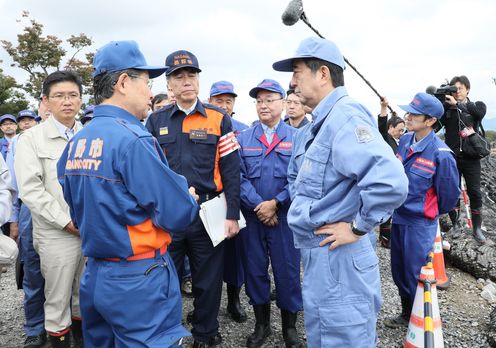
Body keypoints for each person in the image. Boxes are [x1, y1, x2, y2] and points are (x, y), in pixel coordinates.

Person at [56, 40, 198, 348]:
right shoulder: (133, 139)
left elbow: (74, 201)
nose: (150, 93)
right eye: (146, 83)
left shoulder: (76, 142)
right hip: (139, 276)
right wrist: (188, 196)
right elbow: (177, 213)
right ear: (123, 82)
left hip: (96, 273)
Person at [273, 37, 408, 347]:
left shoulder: (346, 117)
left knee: (345, 337)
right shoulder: (315, 125)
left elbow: (390, 182)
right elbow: (301, 181)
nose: (292, 81)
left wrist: (358, 227)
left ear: (322, 74)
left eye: (297, 72)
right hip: (321, 254)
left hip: (342, 257)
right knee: (324, 336)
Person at [146, 50, 241, 348]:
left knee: (208, 279)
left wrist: (232, 215)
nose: (186, 81)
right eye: (178, 77)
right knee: (166, 278)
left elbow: (231, 170)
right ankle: (169, 332)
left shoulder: (219, 119)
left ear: (199, 80)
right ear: (170, 84)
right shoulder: (154, 121)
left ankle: (205, 331)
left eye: (191, 75)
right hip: (169, 215)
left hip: (209, 211)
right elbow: (148, 171)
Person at [15, 70, 86, 347]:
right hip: (57, 232)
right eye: (59, 96)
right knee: (57, 299)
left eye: (72, 95)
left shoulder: (90, 135)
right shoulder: (31, 139)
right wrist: (66, 221)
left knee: (85, 293)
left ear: (81, 100)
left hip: (91, 228)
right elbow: (31, 190)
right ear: (46, 101)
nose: (66, 101)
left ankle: (82, 341)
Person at [237, 79, 303, 348]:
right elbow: (237, 177)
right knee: (254, 271)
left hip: (285, 219)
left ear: (283, 103)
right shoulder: (242, 139)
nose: (263, 105)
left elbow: (301, 178)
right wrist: (260, 206)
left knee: (287, 272)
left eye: (269, 100)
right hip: (254, 218)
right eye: (258, 101)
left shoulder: (298, 138)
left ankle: (290, 328)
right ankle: (261, 325)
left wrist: (276, 203)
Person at [385, 92, 460, 328]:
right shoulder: (406, 141)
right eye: (408, 112)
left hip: (419, 223)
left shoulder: (441, 154)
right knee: (398, 269)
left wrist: (427, 211)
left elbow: (448, 197)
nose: (408, 117)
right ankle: (407, 314)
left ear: (430, 121)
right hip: (398, 217)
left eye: (414, 114)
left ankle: (423, 322)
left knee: (415, 272)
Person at [208, 80, 248, 323]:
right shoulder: (201, 125)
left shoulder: (244, 130)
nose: (224, 105)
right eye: (218, 101)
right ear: (209, 102)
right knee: (206, 256)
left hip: (235, 200)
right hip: (209, 199)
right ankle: (206, 305)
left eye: (228, 101)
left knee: (235, 255)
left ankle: (234, 300)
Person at [5, 109, 46, 347]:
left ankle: (66, 322)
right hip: (29, 209)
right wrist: (13, 220)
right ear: (44, 103)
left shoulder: (74, 134)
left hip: (64, 208)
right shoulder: (21, 142)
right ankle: (34, 327)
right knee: (32, 269)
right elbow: (12, 186)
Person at [439, 75, 487, 244]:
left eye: (459, 88)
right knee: (453, 191)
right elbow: (436, 123)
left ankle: (477, 230)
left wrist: (458, 104)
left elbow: (479, 113)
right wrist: (440, 102)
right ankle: (456, 225)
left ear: (468, 89)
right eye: (454, 89)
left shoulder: (476, 106)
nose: (457, 92)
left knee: (474, 192)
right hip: (453, 157)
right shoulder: (447, 109)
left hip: (472, 157)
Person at [377, 97, 406, 248]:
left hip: (396, 180)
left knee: (393, 209)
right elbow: (381, 125)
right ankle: (384, 238)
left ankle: (389, 236)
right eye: (399, 129)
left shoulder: (400, 142)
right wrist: (384, 108)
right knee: (386, 210)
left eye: (403, 130)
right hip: (385, 179)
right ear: (390, 127)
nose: (402, 132)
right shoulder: (385, 138)